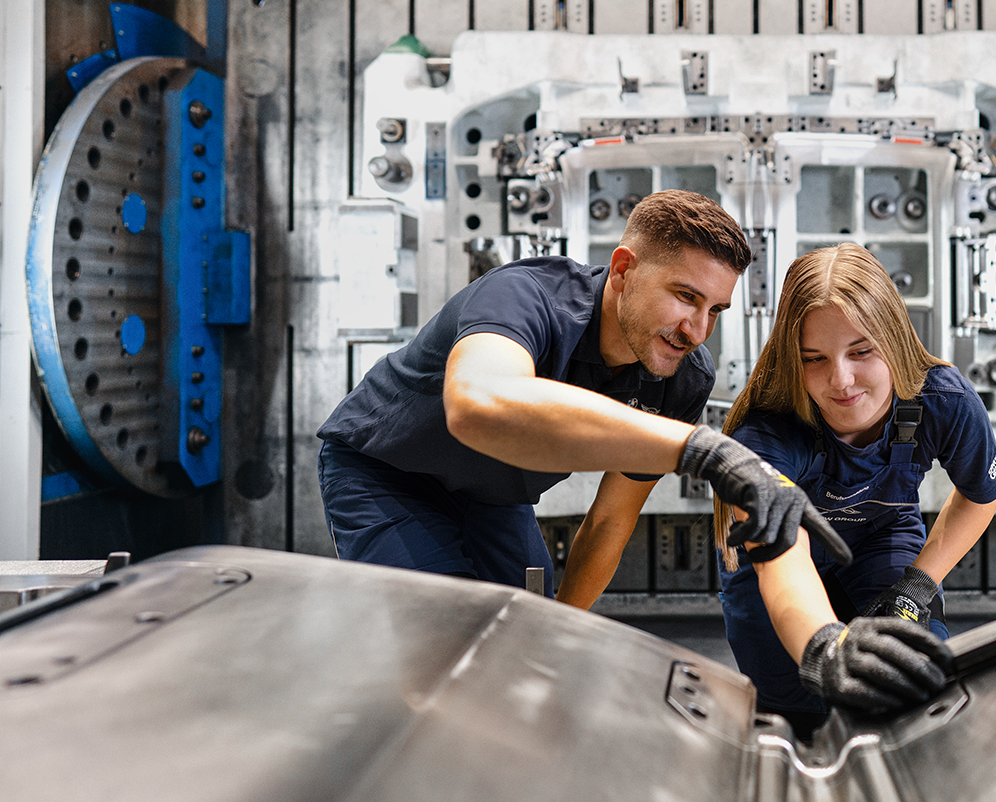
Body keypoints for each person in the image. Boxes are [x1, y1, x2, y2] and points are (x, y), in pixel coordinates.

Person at [560, 244, 996, 737]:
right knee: (794, 707)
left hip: (881, 538)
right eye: (814, 358)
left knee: (907, 668)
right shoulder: (765, 431)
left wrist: (919, 583)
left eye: (862, 351)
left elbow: (979, 494)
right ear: (793, 359)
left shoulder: (943, 400)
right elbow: (783, 556)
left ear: (895, 340)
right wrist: (823, 649)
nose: (841, 380)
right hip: (773, 564)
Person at [317, 189, 850, 594]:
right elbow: (475, 406)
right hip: (388, 472)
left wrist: (562, 641)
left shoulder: (682, 377)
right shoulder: (524, 297)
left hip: (494, 495)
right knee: (440, 633)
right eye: (685, 297)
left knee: (529, 624)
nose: (697, 330)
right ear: (623, 270)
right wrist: (704, 450)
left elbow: (610, 521)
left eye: (715, 310)